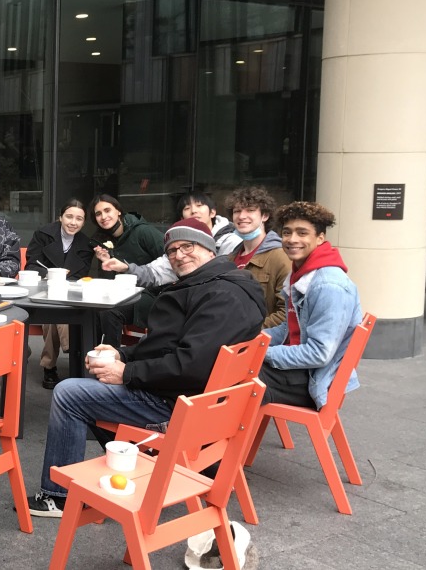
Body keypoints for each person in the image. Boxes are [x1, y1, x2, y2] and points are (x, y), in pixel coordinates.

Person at [27, 217, 264, 517]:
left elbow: (190, 364)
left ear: (209, 249)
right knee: (97, 381)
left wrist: (126, 373)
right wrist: (123, 355)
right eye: (173, 250)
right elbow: (172, 347)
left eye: (187, 246)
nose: (179, 255)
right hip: (200, 401)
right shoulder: (225, 284)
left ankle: (58, 496)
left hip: (178, 407)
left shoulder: (219, 295)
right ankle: (132, 462)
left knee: (70, 393)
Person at [259, 202, 362, 408]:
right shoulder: (300, 273)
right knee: (235, 367)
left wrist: (260, 352)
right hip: (304, 370)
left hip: (316, 380)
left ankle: (212, 435)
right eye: (286, 232)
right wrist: (254, 341)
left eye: (302, 233)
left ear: (320, 238)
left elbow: (319, 353)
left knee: (236, 376)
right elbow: (289, 329)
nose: (292, 239)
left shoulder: (328, 285)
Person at [101, 190, 241, 288]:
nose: (193, 211)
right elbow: (155, 273)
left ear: (213, 212)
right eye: (187, 208)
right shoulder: (176, 247)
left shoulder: (233, 243)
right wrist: (126, 268)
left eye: (199, 206)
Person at [25, 200, 93, 389]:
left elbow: (83, 273)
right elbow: (31, 265)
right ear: (60, 217)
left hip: (71, 293)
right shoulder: (43, 234)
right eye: (69, 216)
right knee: (54, 310)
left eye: (79, 219)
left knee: (56, 317)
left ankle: (49, 366)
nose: (73, 222)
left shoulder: (85, 243)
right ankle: (73, 351)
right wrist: (51, 275)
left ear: (84, 222)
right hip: (43, 290)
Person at [89, 193, 165, 342]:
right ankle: (89, 356)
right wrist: (107, 261)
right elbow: (109, 280)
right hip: (121, 294)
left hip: (151, 294)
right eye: (98, 214)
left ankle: (112, 359)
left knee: (110, 311)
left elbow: (170, 255)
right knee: (90, 310)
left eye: (107, 210)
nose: (103, 216)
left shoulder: (142, 231)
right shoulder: (102, 241)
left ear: (118, 211)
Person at [226, 186, 291, 328]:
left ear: (265, 216)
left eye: (250, 210)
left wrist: (245, 332)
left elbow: (287, 313)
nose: (242, 216)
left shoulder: (281, 256)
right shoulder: (229, 259)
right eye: (237, 211)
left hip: (261, 343)